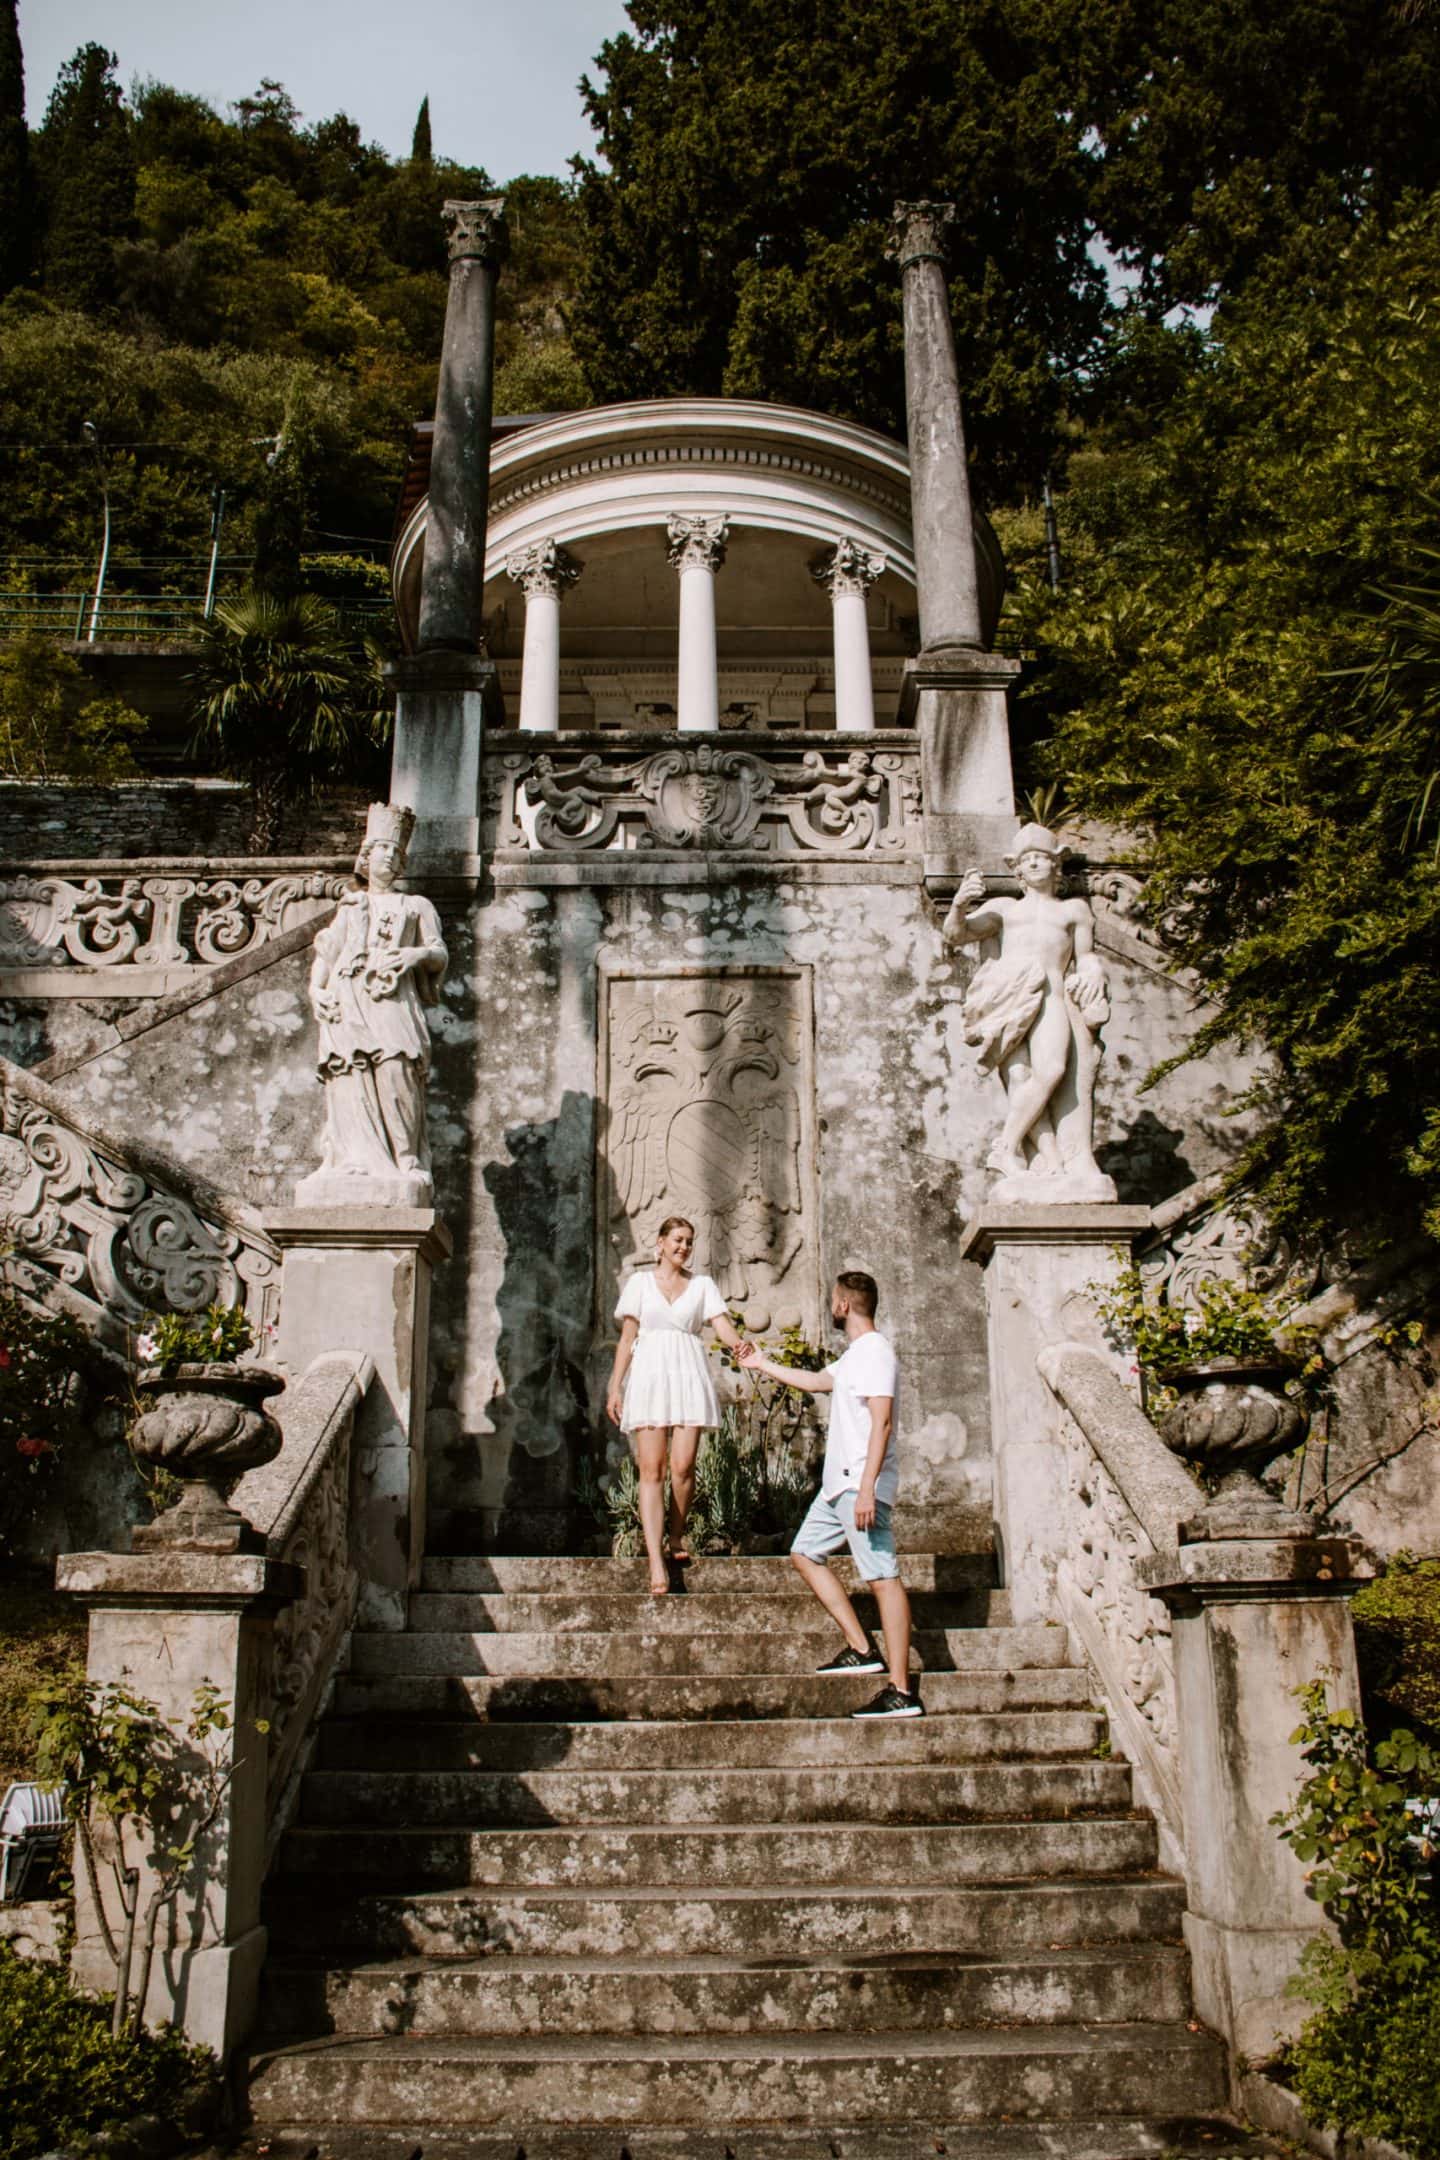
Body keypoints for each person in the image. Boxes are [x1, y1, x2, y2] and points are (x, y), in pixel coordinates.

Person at [739, 1270, 921, 1719]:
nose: (830, 1306)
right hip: (838, 1486)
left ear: (843, 1305)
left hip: (860, 1485)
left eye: (833, 1300)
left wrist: (866, 1491)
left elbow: (882, 1423)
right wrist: (761, 1364)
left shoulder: (876, 1352)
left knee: (883, 1577)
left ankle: (901, 1690)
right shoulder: (857, 1355)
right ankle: (861, 1648)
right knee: (804, 1552)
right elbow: (820, 1381)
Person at [942, 821, 1112, 1194]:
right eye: (1027, 859)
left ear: (1056, 865)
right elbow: (956, 935)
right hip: (1009, 994)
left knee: (1051, 1070)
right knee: (1019, 1077)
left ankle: (1005, 1146)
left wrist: (1093, 972)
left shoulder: (1074, 911)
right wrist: (958, 904)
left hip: (1051, 993)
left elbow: (1085, 957)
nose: (1034, 864)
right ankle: (1047, 1160)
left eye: (1041, 858)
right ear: (1017, 870)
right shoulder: (1004, 909)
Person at [307, 801, 448, 1198]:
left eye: (394, 851)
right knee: (348, 1073)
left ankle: (405, 1157)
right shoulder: (350, 905)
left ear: (401, 862)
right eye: (380, 849)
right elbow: (327, 954)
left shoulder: (416, 906)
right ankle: (352, 1158)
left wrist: (413, 955)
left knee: (398, 1066)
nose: (387, 856)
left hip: (392, 996)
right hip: (347, 995)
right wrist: (316, 991)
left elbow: (438, 953)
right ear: (366, 858)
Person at [606, 1216, 746, 1595]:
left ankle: (677, 1536)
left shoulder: (702, 1285)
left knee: (683, 1467)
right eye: (678, 1240)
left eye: (689, 1242)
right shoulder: (639, 1283)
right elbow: (627, 1340)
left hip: (687, 1374)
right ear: (661, 1242)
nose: (684, 1247)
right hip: (650, 1373)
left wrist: (742, 1348)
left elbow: (722, 1325)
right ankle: (656, 1560)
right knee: (651, 1468)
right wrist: (615, 1386)